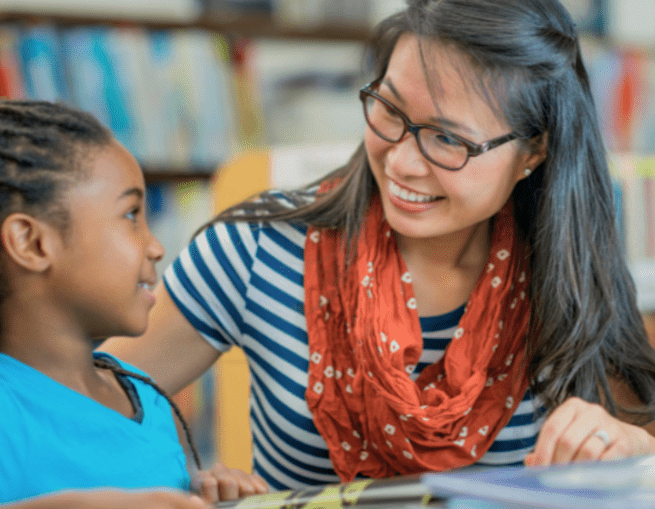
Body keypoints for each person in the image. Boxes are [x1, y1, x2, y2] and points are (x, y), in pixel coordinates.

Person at [101, 0, 655, 491]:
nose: (402, 161)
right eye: (390, 110)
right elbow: (74, 412)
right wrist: (175, 479)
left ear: (533, 152)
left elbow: (638, 433)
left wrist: (633, 449)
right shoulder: (254, 251)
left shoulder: (567, 270)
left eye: (448, 139)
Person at [0, 100, 268, 508]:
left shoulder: (146, 397)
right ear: (31, 243)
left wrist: (209, 496)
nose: (155, 246)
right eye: (131, 215)